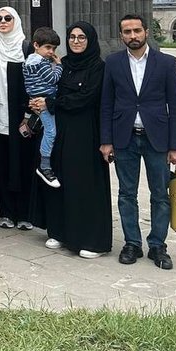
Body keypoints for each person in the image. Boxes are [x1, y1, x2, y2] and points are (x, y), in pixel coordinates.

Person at [100, 14, 176, 270]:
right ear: (121, 35)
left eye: (137, 30)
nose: (133, 36)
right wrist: (106, 141)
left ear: (146, 31)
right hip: (124, 138)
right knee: (127, 194)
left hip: (156, 139)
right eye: (127, 32)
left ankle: (158, 245)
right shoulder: (113, 63)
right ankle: (132, 243)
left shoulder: (166, 63)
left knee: (160, 195)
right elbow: (106, 104)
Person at [29, 22, 112, 259]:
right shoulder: (62, 65)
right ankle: (60, 231)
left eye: (81, 37)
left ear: (90, 40)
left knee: (83, 182)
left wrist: (51, 103)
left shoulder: (98, 67)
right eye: (72, 37)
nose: (76, 41)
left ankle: (91, 240)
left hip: (84, 132)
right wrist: (37, 102)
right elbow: (48, 88)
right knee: (60, 178)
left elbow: (86, 97)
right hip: (60, 129)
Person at [0, 6, 35, 230]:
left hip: (20, 117)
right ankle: (6, 212)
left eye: (7, 18)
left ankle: (24, 213)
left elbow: (34, 84)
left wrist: (29, 116)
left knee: (22, 163)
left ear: (16, 21)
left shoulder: (25, 47)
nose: (3, 22)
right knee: (0, 163)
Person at [22, 27, 62, 187]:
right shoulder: (43, 63)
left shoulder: (28, 61)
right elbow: (52, 79)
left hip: (35, 98)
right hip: (45, 100)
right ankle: (45, 165)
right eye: (48, 47)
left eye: (53, 48)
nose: (51, 52)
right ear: (36, 45)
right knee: (51, 132)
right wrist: (59, 65)